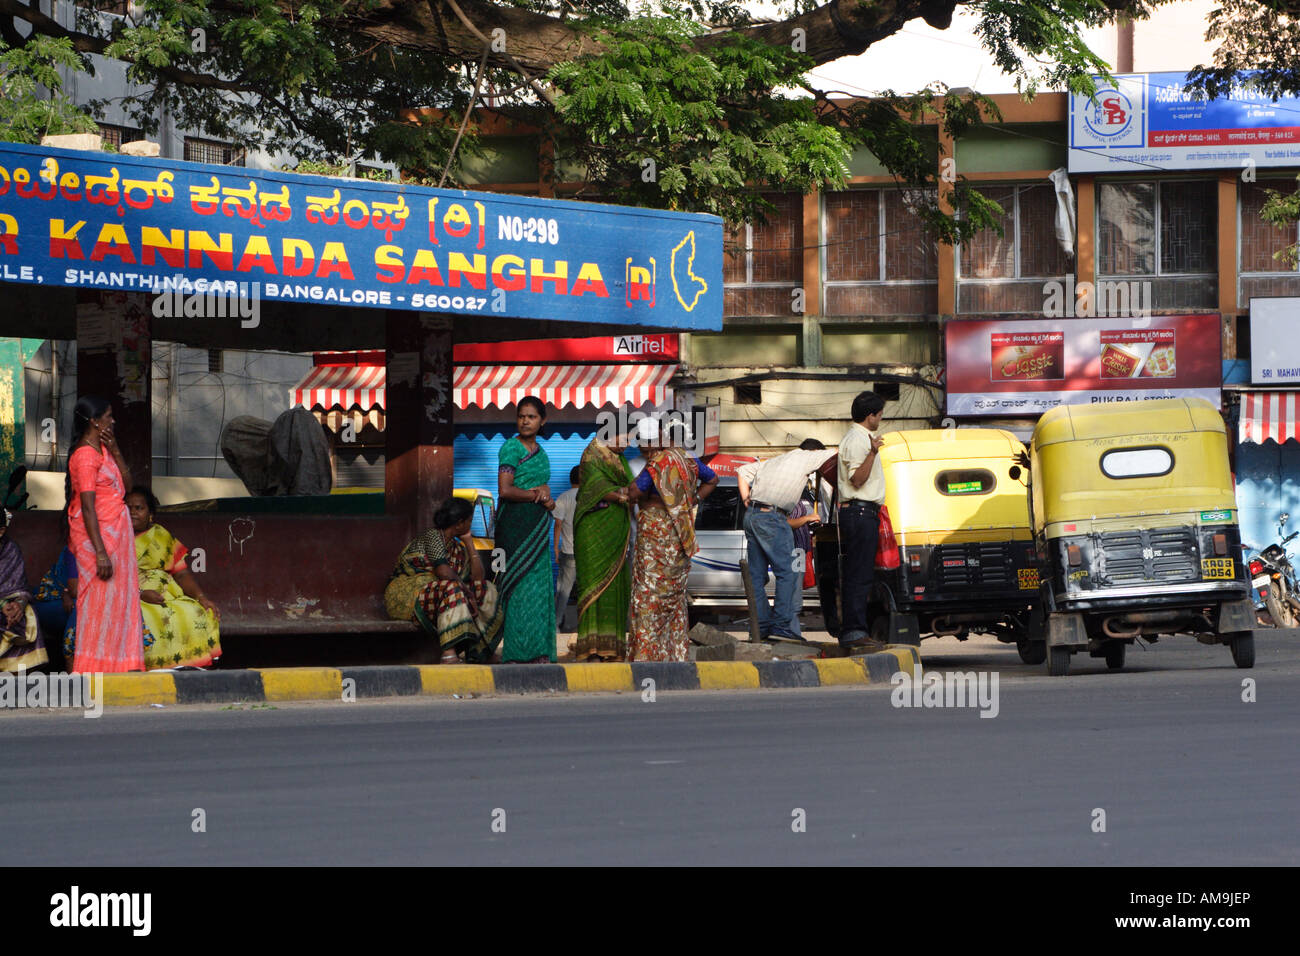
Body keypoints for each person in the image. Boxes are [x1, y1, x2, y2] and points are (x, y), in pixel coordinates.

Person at [627, 417, 718, 661]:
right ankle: (675, 653)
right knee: (675, 595)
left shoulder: (657, 463)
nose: (645, 452)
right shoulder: (687, 458)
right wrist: (693, 500)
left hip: (656, 532)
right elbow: (713, 479)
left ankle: (647, 654)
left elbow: (635, 492)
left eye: (645, 447)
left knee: (649, 593)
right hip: (682, 534)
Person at [65, 396, 144, 673]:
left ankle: (120, 665)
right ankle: (92, 667)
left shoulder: (102, 449)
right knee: (99, 603)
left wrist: (117, 450)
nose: (113, 421)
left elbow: (128, 487)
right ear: (94, 422)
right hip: (98, 539)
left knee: (119, 602)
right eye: (108, 416)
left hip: (116, 535)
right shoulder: (85, 456)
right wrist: (100, 552)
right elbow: (87, 508)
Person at [736, 439, 837, 642]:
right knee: (788, 573)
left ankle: (761, 626)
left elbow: (742, 471)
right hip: (773, 517)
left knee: (756, 577)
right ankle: (781, 625)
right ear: (814, 452)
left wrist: (747, 500)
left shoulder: (777, 460)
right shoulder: (808, 456)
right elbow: (838, 452)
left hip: (752, 516)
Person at [385, 496, 503, 664]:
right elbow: (443, 571)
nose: (470, 524)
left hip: (440, 591)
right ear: (460, 523)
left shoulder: (458, 548)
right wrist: (467, 592)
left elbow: (478, 577)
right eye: (469, 520)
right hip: (409, 594)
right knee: (452, 588)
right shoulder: (432, 536)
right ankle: (448, 653)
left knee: (487, 589)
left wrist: (469, 543)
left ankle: (480, 651)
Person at [126, 487, 222, 670]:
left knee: (197, 611)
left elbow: (182, 573)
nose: (133, 513)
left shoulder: (162, 536)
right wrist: (140, 594)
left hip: (165, 595)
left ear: (150, 514)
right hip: (131, 595)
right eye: (128, 508)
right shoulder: (113, 537)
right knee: (147, 616)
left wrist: (201, 598)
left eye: (139, 508)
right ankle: (152, 668)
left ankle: (190, 666)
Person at [496, 396, 557, 663]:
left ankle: (539, 651)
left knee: (539, 588)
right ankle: (516, 652)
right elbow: (505, 490)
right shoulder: (511, 447)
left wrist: (547, 496)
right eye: (521, 416)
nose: (525, 421)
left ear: (542, 421)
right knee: (518, 588)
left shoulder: (541, 452)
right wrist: (536, 494)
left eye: (531, 417)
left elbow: (543, 489)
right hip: (514, 527)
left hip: (538, 527)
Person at [573, 424, 636, 662]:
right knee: (593, 587)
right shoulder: (592, 455)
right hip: (593, 531)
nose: (628, 444)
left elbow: (632, 485)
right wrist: (621, 496)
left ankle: (614, 648)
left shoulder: (620, 460)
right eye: (625, 437)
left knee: (616, 586)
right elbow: (595, 488)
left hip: (617, 529)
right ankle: (591, 648)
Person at [837, 391, 887, 649]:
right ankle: (854, 631)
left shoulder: (859, 437)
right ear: (870, 416)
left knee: (860, 573)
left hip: (860, 512)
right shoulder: (859, 441)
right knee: (858, 575)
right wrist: (873, 453)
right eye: (879, 415)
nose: (880, 419)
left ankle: (855, 630)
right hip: (860, 511)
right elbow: (857, 479)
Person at [0, 506, 47, 672]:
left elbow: (19, 587)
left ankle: (18, 678)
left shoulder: (10, 550)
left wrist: (18, 604)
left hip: (6, 605)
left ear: (1, 531)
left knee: (26, 613)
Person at [31, 519, 79, 671]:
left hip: (76, 600)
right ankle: (72, 668)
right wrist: (65, 593)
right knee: (82, 608)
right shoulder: (75, 546)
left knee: (84, 606)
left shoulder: (109, 546)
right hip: (52, 599)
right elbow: (74, 589)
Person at [552, 466, 581, 632]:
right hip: (585, 551)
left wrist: (556, 547)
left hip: (568, 551)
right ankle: (584, 624)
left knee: (563, 590)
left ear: (571, 480)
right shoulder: (588, 497)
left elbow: (557, 524)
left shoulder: (563, 497)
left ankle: (556, 625)